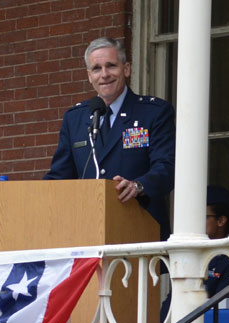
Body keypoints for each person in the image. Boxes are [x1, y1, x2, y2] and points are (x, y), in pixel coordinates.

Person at [43, 37, 176, 241]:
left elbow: (167, 167)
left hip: (139, 233)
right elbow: (60, 177)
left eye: (111, 66)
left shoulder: (153, 112)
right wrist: (33, 197)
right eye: (96, 68)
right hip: (87, 235)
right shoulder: (75, 118)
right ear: (89, 76)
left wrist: (138, 186)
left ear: (126, 69)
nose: (104, 75)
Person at [205, 185, 229, 297]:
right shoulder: (192, 252)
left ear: (221, 221)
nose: (196, 222)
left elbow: (221, 304)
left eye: (203, 217)